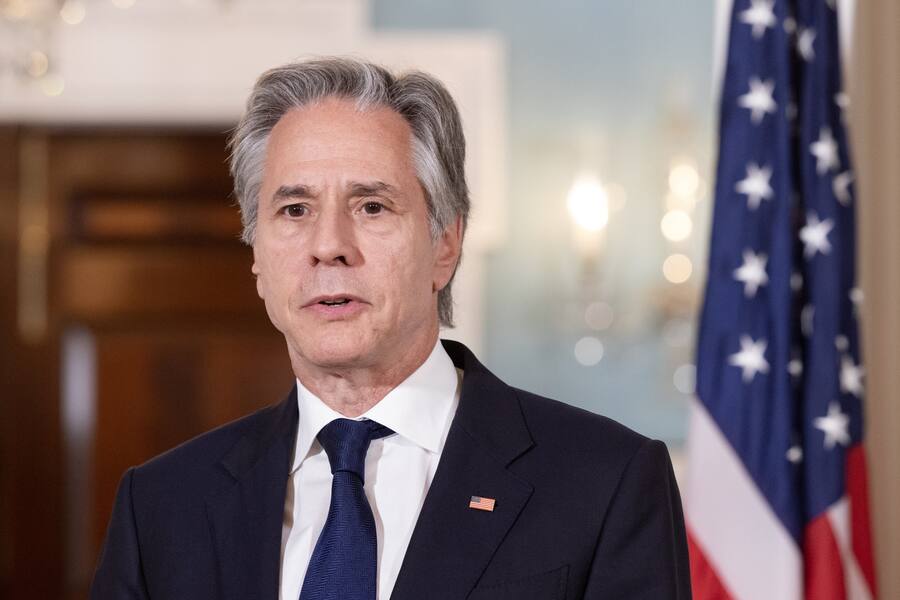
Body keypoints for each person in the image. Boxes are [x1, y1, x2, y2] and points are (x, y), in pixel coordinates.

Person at [91, 57, 691, 600]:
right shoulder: (162, 505)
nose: (329, 247)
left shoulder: (606, 482)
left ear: (446, 244)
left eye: (371, 206)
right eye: (293, 210)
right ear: (257, 259)